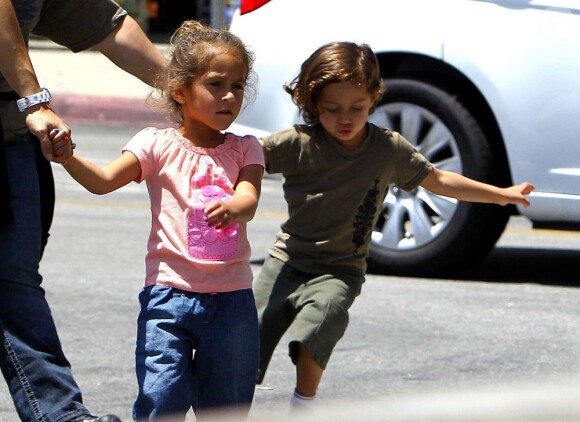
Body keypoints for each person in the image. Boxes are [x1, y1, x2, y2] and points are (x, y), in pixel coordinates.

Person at [253, 41, 535, 413]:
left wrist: (500, 194)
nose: (345, 118)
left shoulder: (388, 149)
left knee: (321, 321)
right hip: (285, 263)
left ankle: (302, 404)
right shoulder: (298, 144)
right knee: (246, 340)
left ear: (373, 98)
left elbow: (439, 181)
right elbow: (246, 154)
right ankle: (227, 403)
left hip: (339, 269)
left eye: (356, 107)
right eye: (331, 109)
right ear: (313, 105)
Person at [55, 20, 264, 421]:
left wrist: (236, 207)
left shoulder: (245, 148)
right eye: (216, 84)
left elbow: (249, 198)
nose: (229, 96)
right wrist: (67, 158)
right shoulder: (156, 144)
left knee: (228, 408)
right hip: (169, 296)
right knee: (160, 398)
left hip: (233, 300)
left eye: (238, 85)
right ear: (180, 91)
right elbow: (102, 182)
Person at [0, 0, 167, 421]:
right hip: (21, 115)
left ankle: (59, 413)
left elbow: (107, 26)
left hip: (10, 135)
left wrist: (183, 89)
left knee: (13, 280)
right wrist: (33, 101)